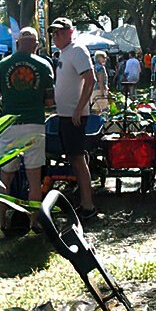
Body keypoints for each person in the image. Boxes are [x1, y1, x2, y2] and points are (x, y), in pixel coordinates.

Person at [0, 27, 54, 235]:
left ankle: (0, 226)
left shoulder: (3, 65)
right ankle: (34, 225)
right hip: (34, 124)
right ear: (35, 44)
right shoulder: (44, 65)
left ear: (17, 43)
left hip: (9, 125)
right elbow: (50, 101)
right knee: (34, 179)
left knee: (5, 177)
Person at [48, 18, 99, 219]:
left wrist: (79, 108)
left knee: (77, 158)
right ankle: (84, 201)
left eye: (59, 32)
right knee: (75, 157)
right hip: (65, 115)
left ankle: (88, 205)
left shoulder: (77, 49)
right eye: (53, 33)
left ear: (70, 32)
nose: (55, 36)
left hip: (74, 116)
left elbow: (91, 78)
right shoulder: (64, 53)